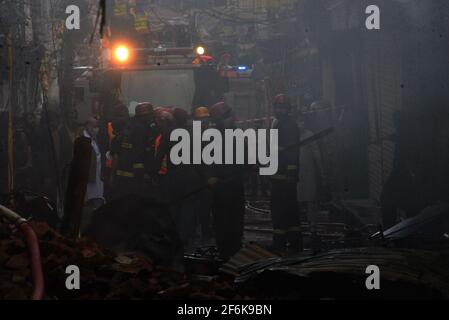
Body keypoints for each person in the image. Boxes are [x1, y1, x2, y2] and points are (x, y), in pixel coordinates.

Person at [207, 102, 246, 260]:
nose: (230, 118)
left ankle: (235, 251)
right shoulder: (212, 136)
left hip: (234, 183)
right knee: (223, 220)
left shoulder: (237, 134)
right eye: (226, 115)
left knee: (235, 219)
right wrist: (209, 176)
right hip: (221, 185)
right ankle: (225, 253)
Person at [270, 94, 303, 254]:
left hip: (283, 177)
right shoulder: (280, 124)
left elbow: (292, 152)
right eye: (277, 107)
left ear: (288, 109)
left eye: (282, 107)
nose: (279, 110)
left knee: (280, 212)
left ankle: (280, 245)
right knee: (290, 212)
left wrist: (290, 173)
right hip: (279, 174)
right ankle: (295, 244)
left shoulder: (288, 126)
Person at [81, 117, 105, 232]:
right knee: (90, 197)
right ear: (87, 125)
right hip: (89, 175)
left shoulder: (93, 138)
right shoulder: (84, 138)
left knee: (96, 195)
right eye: (94, 126)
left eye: (97, 126)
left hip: (97, 174)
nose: (96, 129)